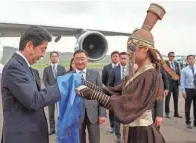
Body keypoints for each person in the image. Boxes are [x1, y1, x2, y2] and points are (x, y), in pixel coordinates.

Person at [75, 3, 178, 143]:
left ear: (145, 49)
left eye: (132, 48)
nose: (129, 52)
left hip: (142, 133)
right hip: (133, 130)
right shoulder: (136, 73)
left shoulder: (150, 74)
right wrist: (87, 84)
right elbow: (114, 92)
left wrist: (93, 94)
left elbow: (125, 104)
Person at [1, 26, 61, 143]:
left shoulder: (27, 68)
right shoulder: (15, 68)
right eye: (42, 49)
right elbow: (34, 100)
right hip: (22, 138)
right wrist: (63, 86)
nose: (43, 55)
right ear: (29, 46)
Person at [72, 50, 106, 143]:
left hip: (93, 113)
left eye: (82, 59)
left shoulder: (95, 74)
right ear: (73, 61)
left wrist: (102, 114)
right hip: (76, 115)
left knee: (95, 139)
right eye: (77, 59)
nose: (80, 62)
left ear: (87, 60)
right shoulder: (69, 76)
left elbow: (101, 95)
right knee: (79, 139)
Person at [43, 51, 66, 135]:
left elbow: (64, 80)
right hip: (50, 94)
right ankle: (52, 129)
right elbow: (45, 80)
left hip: (60, 94)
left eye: (55, 56)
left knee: (61, 112)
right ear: (50, 58)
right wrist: (49, 89)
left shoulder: (62, 68)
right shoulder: (46, 69)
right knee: (51, 112)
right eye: (52, 56)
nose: (54, 57)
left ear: (58, 58)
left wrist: (60, 89)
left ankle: (61, 128)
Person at [107, 51, 128, 142]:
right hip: (117, 97)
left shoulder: (132, 70)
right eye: (121, 58)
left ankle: (127, 135)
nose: (123, 60)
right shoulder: (114, 70)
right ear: (119, 59)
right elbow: (110, 84)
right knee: (117, 117)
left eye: (125, 58)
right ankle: (118, 136)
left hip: (128, 98)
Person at [101, 51, 120, 133]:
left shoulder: (122, 67)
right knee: (111, 109)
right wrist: (108, 90)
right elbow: (103, 80)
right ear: (111, 58)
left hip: (121, 93)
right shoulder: (106, 67)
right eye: (114, 56)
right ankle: (112, 125)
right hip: (110, 92)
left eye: (117, 56)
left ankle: (118, 125)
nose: (115, 58)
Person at [180, 55, 196, 129]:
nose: (191, 60)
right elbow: (182, 81)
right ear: (187, 61)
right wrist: (183, 91)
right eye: (189, 59)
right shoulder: (184, 70)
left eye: (192, 59)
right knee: (188, 107)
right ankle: (188, 122)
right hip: (188, 90)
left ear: (194, 60)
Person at [165, 51, 182, 118]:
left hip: (175, 83)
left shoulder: (176, 64)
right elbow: (164, 73)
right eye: (171, 56)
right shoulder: (165, 64)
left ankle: (176, 113)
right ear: (168, 56)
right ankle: (167, 113)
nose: (172, 57)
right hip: (168, 83)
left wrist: (179, 81)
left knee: (176, 99)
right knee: (168, 98)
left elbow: (178, 73)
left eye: (173, 56)